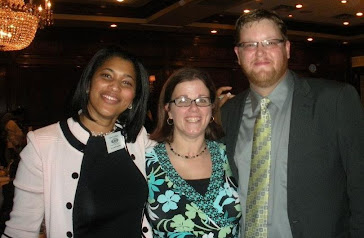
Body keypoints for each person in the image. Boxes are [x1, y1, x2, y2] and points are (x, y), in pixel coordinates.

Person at [219, 9, 364, 238]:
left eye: (270, 42)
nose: (260, 52)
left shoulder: (335, 101)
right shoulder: (228, 113)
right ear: (238, 54)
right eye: (250, 45)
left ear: (287, 49)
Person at [2, 45, 154, 238]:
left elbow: (179, 155)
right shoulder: (42, 145)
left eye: (127, 82)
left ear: (133, 99)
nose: (115, 87)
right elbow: (20, 231)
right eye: (107, 76)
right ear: (89, 83)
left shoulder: (137, 138)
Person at [146, 67, 241, 237]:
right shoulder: (145, 163)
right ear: (168, 109)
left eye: (202, 100)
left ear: (212, 108)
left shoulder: (232, 156)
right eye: (182, 100)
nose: (194, 108)